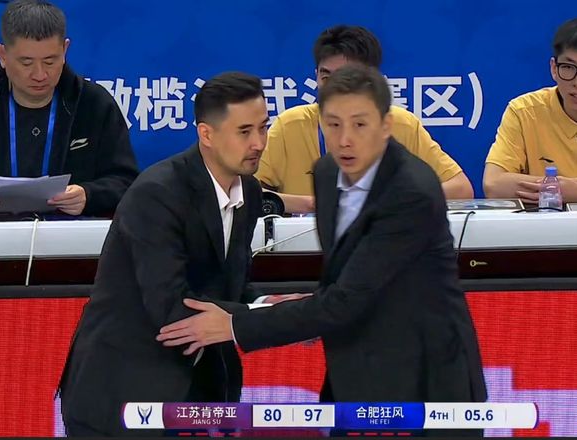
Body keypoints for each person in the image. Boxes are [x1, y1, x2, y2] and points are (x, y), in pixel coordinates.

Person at [157, 65, 487, 436]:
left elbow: (346, 299)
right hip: (353, 376)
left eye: (359, 125)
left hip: (426, 383)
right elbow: (338, 281)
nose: (345, 140)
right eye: (333, 124)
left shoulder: (411, 192)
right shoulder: (328, 174)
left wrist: (235, 324)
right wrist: (278, 307)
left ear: (385, 125)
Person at [58, 72, 308, 436]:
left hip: (200, 393)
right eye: (244, 131)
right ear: (206, 134)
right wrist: (274, 317)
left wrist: (267, 302)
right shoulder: (157, 194)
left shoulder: (250, 192)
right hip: (125, 394)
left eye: (263, 128)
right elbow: (172, 310)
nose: (258, 143)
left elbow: (229, 287)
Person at [0, 0, 138, 218]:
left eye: (50, 61)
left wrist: (89, 195)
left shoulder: (94, 105)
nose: (40, 75)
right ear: (2, 55)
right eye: (26, 63)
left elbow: (127, 182)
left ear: (65, 50)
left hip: (71, 236)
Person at [256, 25, 473, 213]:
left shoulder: (401, 124)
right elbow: (246, 194)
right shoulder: (290, 126)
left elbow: (460, 189)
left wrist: (389, 202)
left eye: (344, 77)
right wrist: (312, 204)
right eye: (325, 77)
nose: (333, 88)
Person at [483, 18, 577, 203]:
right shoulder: (524, 111)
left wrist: (573, 190)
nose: (576, 82)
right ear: (554, 68)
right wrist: (555, 188)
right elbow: (493, 184)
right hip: (547, 220)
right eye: (568, 67)